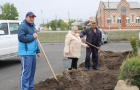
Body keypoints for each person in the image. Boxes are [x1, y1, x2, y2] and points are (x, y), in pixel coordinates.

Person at [18, 12, 41, 90]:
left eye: (33, 17)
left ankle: (30, 88)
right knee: (25, 74)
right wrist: (32, 36)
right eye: (30, 17)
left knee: (31, 73)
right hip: (25, 53)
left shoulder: (33, 27)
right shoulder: (22, 26)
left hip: (32, 53)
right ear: (26, 17)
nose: (31, 19)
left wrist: (38, 50)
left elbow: (35, 40)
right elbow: (21, 38)